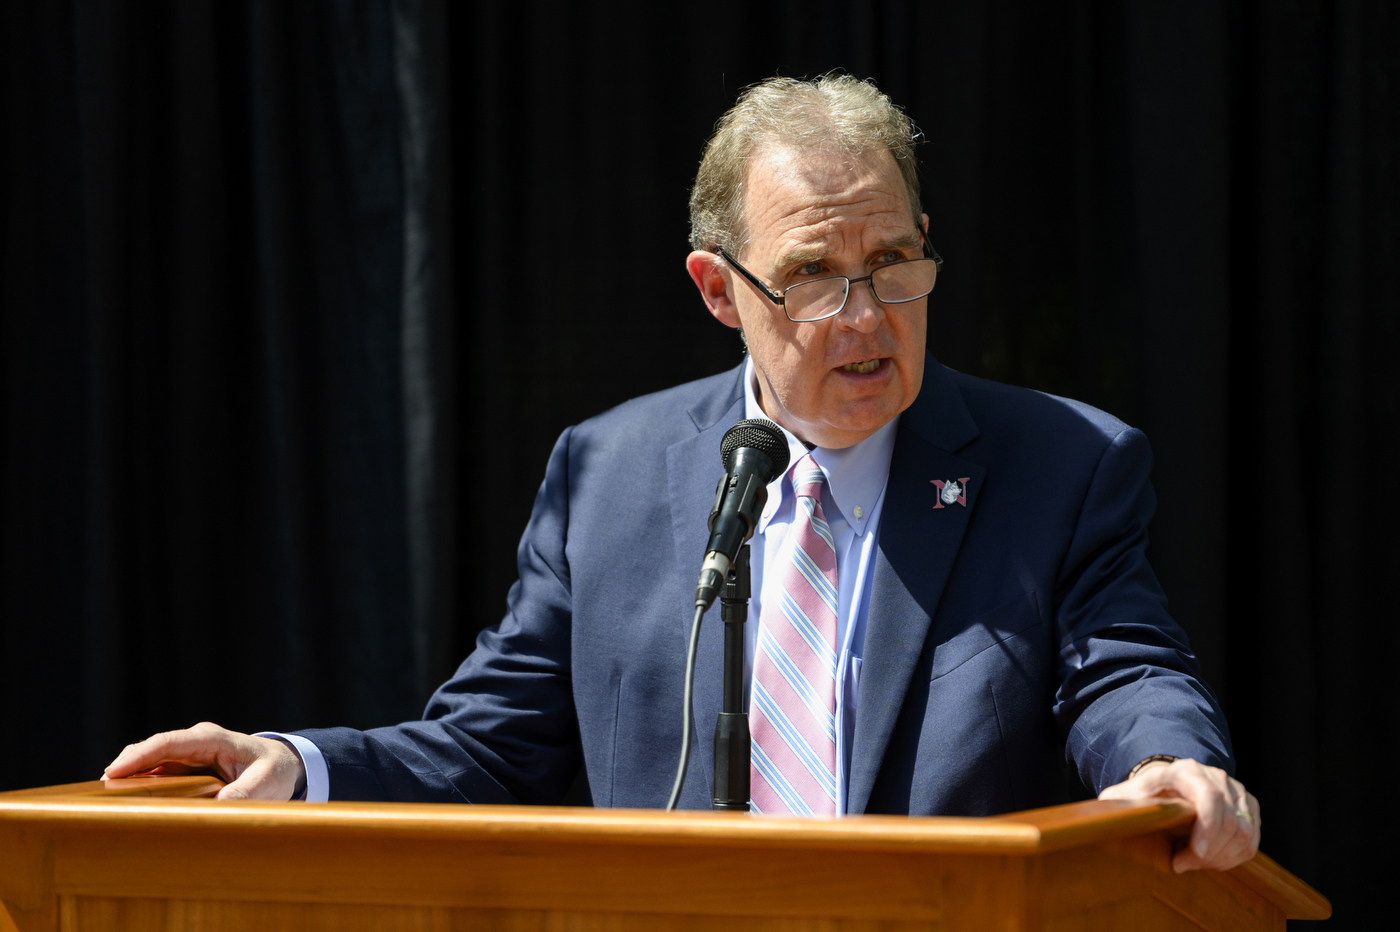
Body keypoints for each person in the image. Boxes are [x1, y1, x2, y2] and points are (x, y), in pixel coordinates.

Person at [107, 75, 1260, 873]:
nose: (865, 317)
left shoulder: (1061, 462)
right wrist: (296, 762)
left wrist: (1164, 758)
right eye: (811, 273)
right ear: (719, 291)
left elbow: (1121, 666)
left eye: (892, 262)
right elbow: (488, 745)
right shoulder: (606, 472)